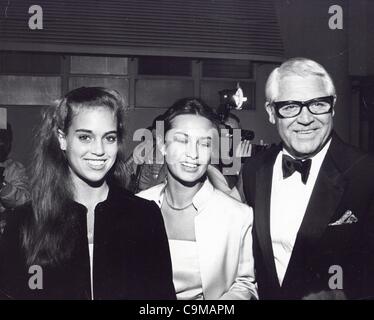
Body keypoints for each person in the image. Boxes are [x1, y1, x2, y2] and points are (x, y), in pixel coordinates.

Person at [0, 87, 175, 300]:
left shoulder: (145, 216)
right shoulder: (24, 222)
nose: (99, 150)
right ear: (62, 139)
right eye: (85, 137)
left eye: (109, 138)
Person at [241, 57, 374, 300]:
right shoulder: (253, 170)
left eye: (318, 104)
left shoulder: (366, 173)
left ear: (332, 106)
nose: (305, 119)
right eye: (290, 106)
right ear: (271, 112)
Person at [137, 97, 258, 300]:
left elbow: (246, 284)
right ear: (162, 144)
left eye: (204, 143)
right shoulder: (137, 207)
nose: (193, 153)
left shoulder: (237, 215)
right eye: (182, 140)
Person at [0, 123, 30, 216]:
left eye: (5, 140)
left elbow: (23, 201)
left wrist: (2, 185)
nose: (1, 143)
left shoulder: (15, 169)